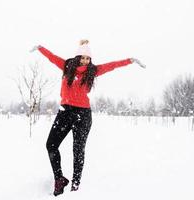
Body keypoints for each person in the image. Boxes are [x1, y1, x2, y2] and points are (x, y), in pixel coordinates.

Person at [30, 40, 145, 196]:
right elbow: (52, 57)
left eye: (88, 58)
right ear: (77, 57)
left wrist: (129, 61)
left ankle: (75, 186)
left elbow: (112, 65)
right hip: (65, 112)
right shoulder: (66, 66)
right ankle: (59, 179)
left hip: (83, 115)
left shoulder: (93, 71)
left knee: (78, 151)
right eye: (83, 57)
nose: (85, 61)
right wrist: (40, 48)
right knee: (51, 145)